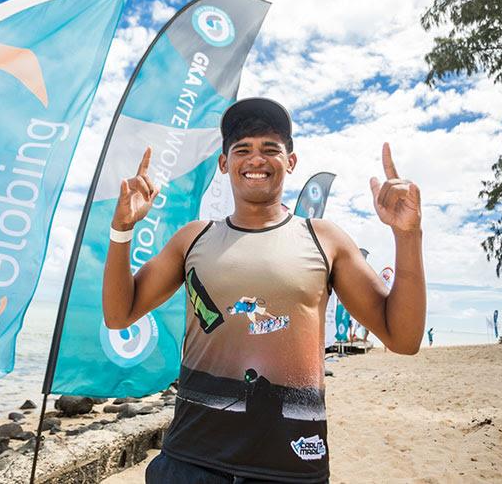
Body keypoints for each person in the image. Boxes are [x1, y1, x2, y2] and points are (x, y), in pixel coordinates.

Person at [102, 97, 426, 483]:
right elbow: (120, 313)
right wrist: (121, 230)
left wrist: (408, 236)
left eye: (270, 149)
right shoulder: (193, 239)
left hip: (289, 466)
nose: (256, 159)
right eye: (243, 150)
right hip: (190, 462)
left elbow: (403, 338)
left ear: (290, 161)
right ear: (224, 164)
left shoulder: (324, 239)